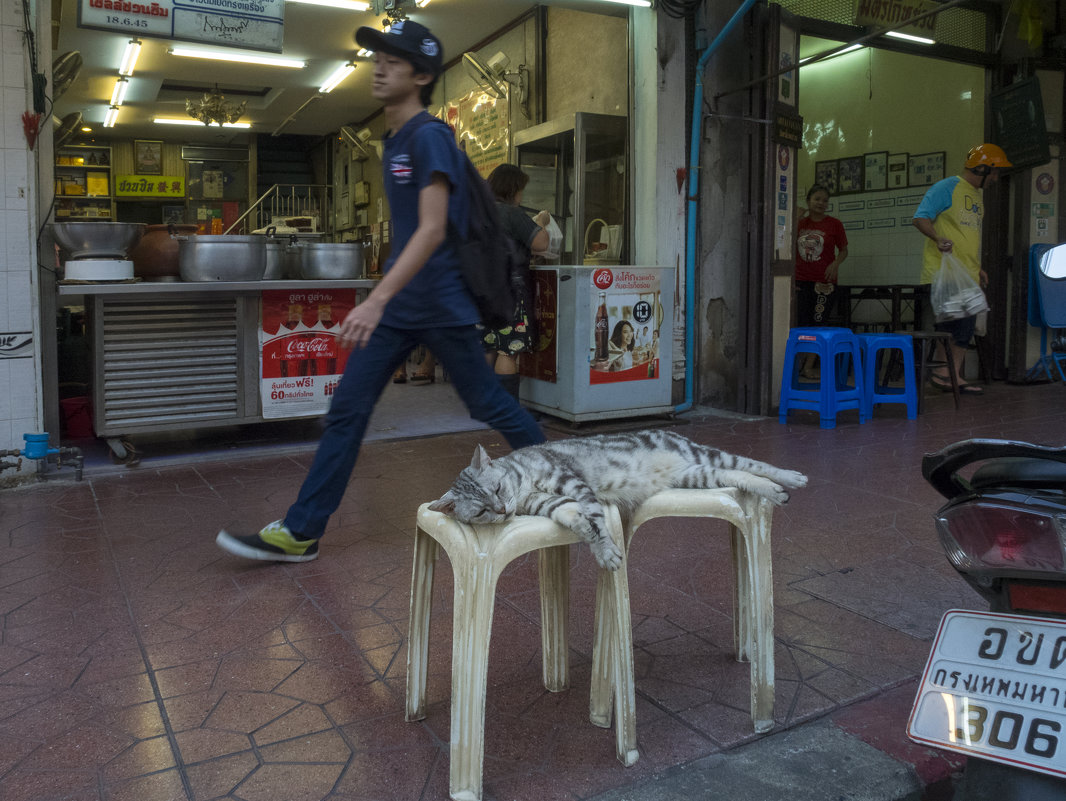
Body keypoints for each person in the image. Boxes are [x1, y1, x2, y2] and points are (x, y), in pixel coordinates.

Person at [215, 20, 545, 563]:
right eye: (377, 58)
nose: (380, 66)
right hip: (403, 308)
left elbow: (432, 228)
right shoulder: (394, 140)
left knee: (486, 402)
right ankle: (302, 532)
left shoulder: (429, 136)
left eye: (393, 60)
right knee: (347, 410)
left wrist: (374, 298)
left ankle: (574, 482)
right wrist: (383, 293)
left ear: (420, 75)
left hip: (440, 303)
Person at [912, 143, 1011, 396]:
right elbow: (920, 217)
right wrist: (937, 238)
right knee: (959, 323)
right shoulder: (947, 187)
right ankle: (947, 374)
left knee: (962, 323)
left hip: (966, 273)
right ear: (982, 168)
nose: (996, 178)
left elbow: (967, 235)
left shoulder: (978, 195)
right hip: (942, 272)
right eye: (995, 172)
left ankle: (946, 373)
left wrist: (978, 269)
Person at [482, 163, 549, 399]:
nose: (522, 195)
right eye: (521, 189)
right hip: (508, 290)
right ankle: (507, 409)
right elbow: (541, 243)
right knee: (507, 350)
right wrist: (540, 222)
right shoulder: (512, 214)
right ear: (512, 190)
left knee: (488, 345)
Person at [795, 183, 849, 379]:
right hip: (800, 279)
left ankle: (809, 366)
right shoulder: (800, 223)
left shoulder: (834, 224)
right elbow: (782, 239)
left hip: (824, 282)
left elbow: (844, 250)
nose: (821, 203)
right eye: (817, 199)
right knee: (800, 323)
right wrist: (795, 218)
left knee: (818, 323)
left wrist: (836, 263)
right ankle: (798, 364)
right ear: (808, 200)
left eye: (825, 200)